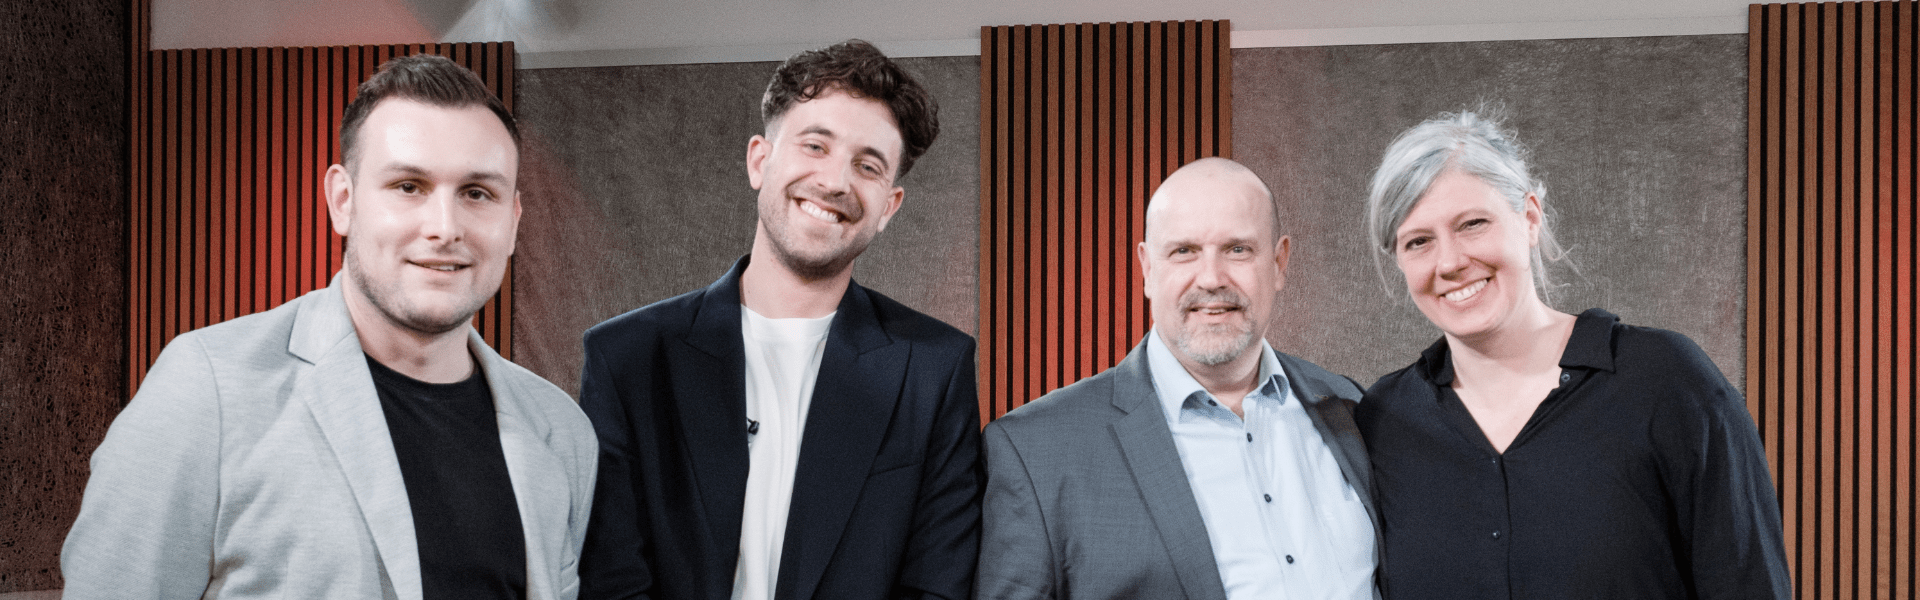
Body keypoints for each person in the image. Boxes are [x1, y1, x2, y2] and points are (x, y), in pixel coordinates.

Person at [61, 54, 597, 599]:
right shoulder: (207, 390)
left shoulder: (562, 432)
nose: (444, 228)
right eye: (408, 186)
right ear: (343, 201)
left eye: (477, 193)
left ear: (513, 221)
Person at [576, 40, 980, 600]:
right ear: (759, 161)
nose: (835, 182)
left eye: (867, 166)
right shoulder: (627, 357)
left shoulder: (935, 369)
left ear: (889, 206)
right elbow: (611, 580)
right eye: (815, 145)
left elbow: (937, 584)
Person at [1355, 110, 1792, 599]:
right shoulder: (1383, 421)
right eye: (1418, 242)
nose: (1451, 262)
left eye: (1473, 224)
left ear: (1530, 218)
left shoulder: (1666, 382)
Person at [976, 157, 1380, 600]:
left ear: (1279, 262)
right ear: (1148, 269)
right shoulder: (1037, 451)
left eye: (1238, 249)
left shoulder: (1353, 408)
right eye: (1184, 251)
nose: (1211, 279)